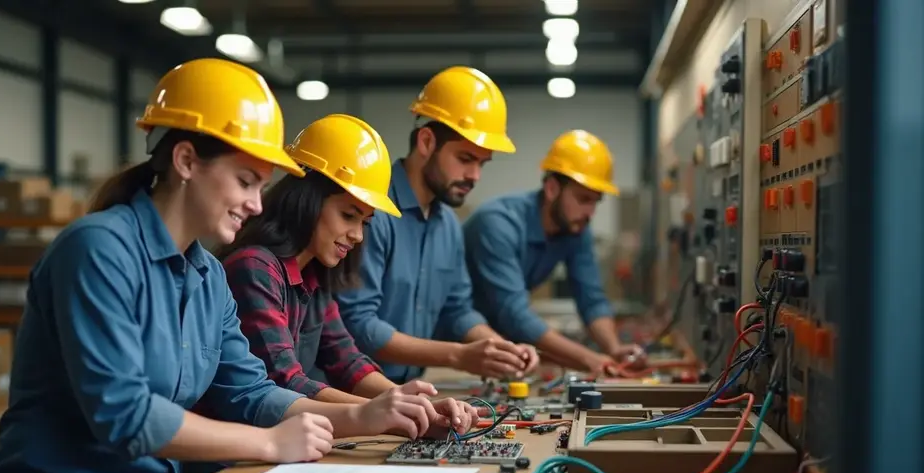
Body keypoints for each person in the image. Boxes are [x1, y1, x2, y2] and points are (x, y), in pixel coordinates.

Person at [0, 59, 465, 473]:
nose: (257, 205)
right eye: (245, 181)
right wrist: (267, 442)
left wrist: (370, 417)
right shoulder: (98, 250)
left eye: (261, 185)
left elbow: (250, 391)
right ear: (187, 160)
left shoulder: (207, 275)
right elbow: (125, 416)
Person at [215, 113, 479, 426]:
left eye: (365, 222)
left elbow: (346, 359)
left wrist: (412, 403)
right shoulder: (254, 268)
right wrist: (383, 413)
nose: (358, 235)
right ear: (306, 199)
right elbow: (285, 379)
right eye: (348, 215)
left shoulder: (314, 276)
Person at [333, 66, 540, 384]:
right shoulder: (371, 211)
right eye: (466, 159)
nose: (475, 176)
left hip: (404, 394)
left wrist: (498, 348)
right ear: (427, 142)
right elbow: (357, 324)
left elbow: (457, 311)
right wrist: (458, 356)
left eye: (482, 163)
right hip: (349, 396)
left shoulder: (448, 225)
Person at [461, 130, 646, 375]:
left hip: (498, 345)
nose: (590, 212)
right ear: (551, 189)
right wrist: (589, 358)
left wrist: (614, 349)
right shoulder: (497, 224)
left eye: (595, 202)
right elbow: (514, 313)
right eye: (583, 199)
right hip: (456, 346)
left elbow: (591, 299)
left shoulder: (575, 229)